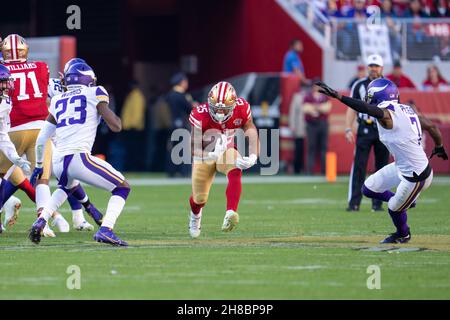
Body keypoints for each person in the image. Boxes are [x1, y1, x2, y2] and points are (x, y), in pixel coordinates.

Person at [316, 79, 448, 243]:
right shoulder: (405, 109)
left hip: (417, 175)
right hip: (402, 166)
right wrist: (440, 146)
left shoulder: (387, 115)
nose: (368, 98)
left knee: (393, 208)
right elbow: (432, 126)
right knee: (368, 188)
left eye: (370, 94)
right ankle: (406, 202)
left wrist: (339, 97)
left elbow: (367, 108)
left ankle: (403, 233)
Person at [29, 62, 130, 246]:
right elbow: (116, 126)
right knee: (122, 187)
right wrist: (109, 113)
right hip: (79, 158)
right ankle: (106, 229)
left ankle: (41, 221)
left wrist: (38, 166)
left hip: (59, 161)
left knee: (65, 187)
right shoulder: (95, 92)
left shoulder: (58, 99)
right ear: (88, 78)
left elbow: (42, 138)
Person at [0, 34, 67, 236]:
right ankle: (43, 221)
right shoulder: (41, 67)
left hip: (13, 128)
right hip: (40, 128)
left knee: (3, 173)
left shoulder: (4, 70)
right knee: (43, 179)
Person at [188, 81, 259, 238]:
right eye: (216, 109)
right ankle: (195, 216)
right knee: (199, 199)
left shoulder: (241, 108)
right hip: (204, 155)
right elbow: (193, 146)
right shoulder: (200, 114)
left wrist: (253, 155)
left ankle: (230, 212)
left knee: (235, 168)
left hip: (226, 150)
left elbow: (250, 129)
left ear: (233, 105)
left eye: (224, 109)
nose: (220, 114)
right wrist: (209, 153)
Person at [345, 54, 390, 212]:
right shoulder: (359, 85)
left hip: (383, 129)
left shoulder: (388, 85)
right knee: (359, 166)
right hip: (364, 127)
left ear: (381, 68)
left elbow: (394, 110)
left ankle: (377, 204)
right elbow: (351, 107)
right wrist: (348, 128)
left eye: (376, 66)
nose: (373, 69)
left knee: (382, 168)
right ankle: (354, 202)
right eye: (371, 65)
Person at [0, 65, 31, 232]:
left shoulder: (6, 103)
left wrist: (14, 157)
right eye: (2, 82)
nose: (7, 86)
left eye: (6, 82)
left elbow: (3, 136)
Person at [166, 72, 194, 177]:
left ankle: (171, 171)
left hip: (172, 124)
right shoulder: (181, 96)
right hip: (182, 124)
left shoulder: (169, 95)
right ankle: (184, 172)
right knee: (184, 148)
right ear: (182, 82)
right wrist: (193, 104)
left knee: (172, 148)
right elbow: (189, 109)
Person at [303, 84, 332, 174]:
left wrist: (314, 107)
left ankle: (325, 170)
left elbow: (327, 108)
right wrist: (320, 107)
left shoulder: (325, 96)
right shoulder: (307, 96)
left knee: (324, 147)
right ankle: (309, 170)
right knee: (311, 147)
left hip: (323, 124)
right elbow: (305, 108)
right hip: (311, 124)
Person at [120, 80, 146, 171]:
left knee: (134, 151)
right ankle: (131, 167)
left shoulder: (137, 96)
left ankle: (134, 168)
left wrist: (132, 125)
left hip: (133, 128)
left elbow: (137, 113)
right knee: (131, 150)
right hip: (130, 127)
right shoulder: (132, 95)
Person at [289, 88, 306, 174]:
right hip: (299, 127)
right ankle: (297, 169)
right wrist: (292, 125)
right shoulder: (297, 96)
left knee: (309, 149)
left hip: (311, 127)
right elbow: (292, 112)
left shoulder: (312, 95)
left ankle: (307, 168)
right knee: (298, 149)